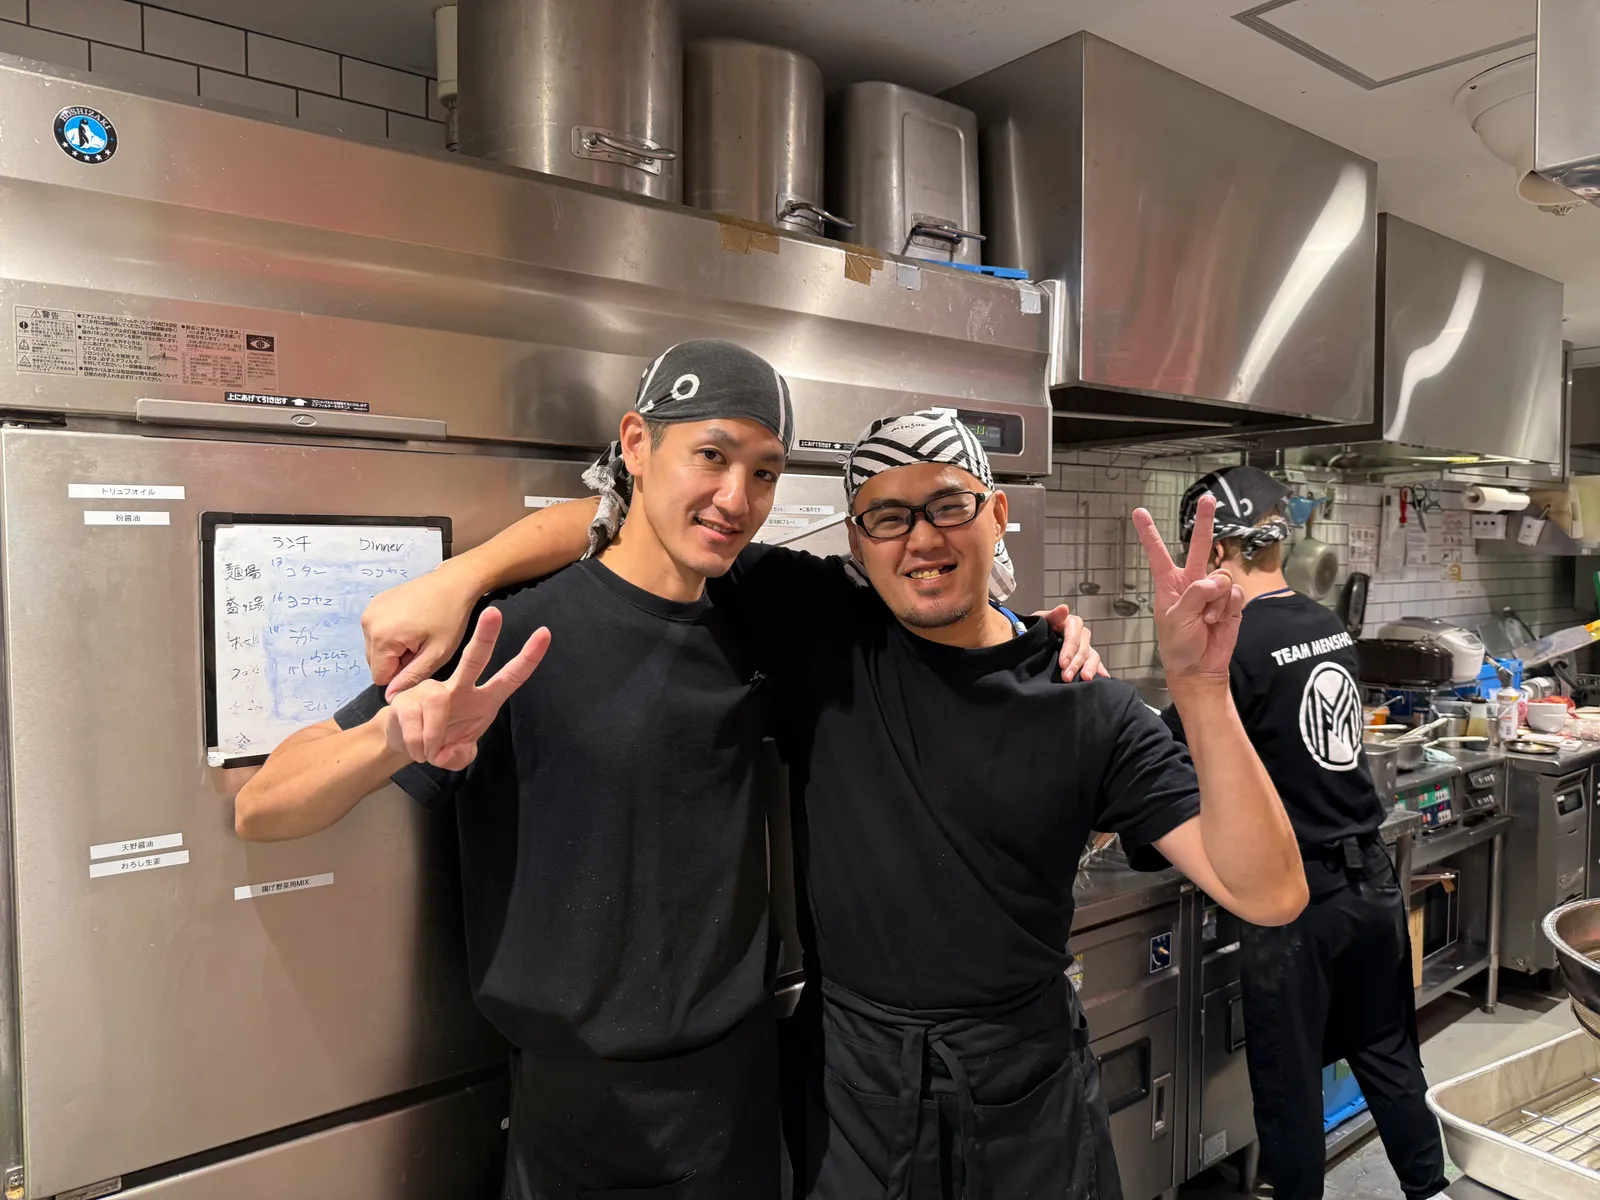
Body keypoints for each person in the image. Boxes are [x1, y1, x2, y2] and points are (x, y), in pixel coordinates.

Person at [361, 407, 1309, 1199]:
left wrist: (1202, 689)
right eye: (887, 517)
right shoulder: (826, 633)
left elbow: (1267, 894)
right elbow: (641, 520)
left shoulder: (1086, 705)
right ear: (856, 542)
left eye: (949, 505)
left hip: (1026, 1103)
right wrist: (463, 575)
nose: (922, 538)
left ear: (999, 514)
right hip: (853, 1096)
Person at [233, 343, 1100, 1200]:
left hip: (741, 1096)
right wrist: (394, 733)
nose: (737, 498)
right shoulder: (509, 639)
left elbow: (935, 599)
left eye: (764, 472)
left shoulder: (761, 622)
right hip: (569, 1107)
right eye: (712, 456)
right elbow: (266, 806)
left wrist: (1038, 641)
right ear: (638, 446)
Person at [1161, 466, 1448, 1200]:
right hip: (1370, 880)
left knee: (1289, 1096)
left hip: (1296, 900)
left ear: (1218, 550)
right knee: (1388, 1054)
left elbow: (1170, 754)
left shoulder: (1235, 647)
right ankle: (1430, 1190)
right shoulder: (1326, 625)